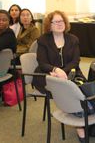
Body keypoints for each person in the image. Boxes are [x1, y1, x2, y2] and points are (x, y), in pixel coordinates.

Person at [33, 10, 85, 142]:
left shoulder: (73, 39)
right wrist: (56, 70)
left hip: (70, 71)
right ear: (49, 25)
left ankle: (81, 115)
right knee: (67, 90)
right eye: (55, 22)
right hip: (47, 74)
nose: (59, 24)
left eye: (61, 21)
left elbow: (75, 61)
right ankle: (79, 125)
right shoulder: (43, 40)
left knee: (83, 88)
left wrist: (63, 72)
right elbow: (42, 62)